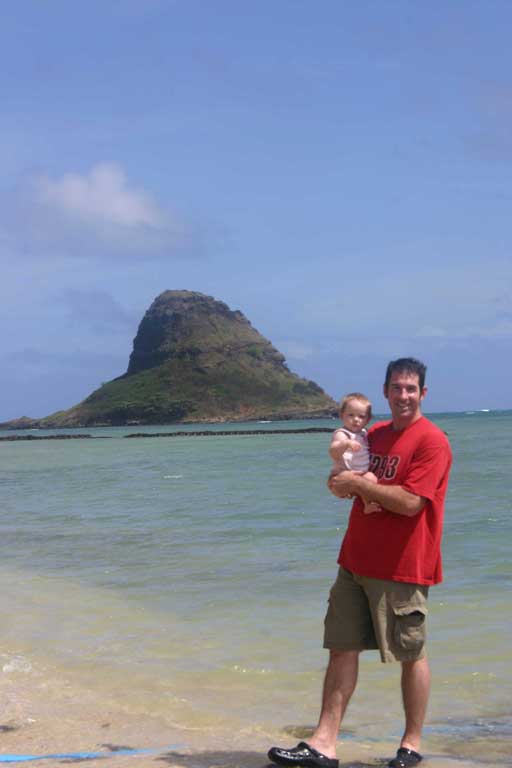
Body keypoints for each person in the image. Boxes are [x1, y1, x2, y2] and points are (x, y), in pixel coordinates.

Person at [268, 358, 452, 768]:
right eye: (396, 388)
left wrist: (357, 484)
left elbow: (411, 503)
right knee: (341, 649)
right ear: (385, 391)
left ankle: (411, 745)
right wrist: (339, 483)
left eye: (411, 388)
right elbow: (344, 477)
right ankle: (323, 744)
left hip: (403, 566)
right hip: (354, 560)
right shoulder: (374, 434)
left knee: (410, 654)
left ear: (423, 393)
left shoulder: (432, 441)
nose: (403, 395)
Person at [329, 393, 378, 512]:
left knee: (371, 478)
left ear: (368, 420)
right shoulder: (342, 433)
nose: (356, 419)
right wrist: (345, 443)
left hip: (361, 472)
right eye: (350, 415)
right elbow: (333, 452)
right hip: (344, 472)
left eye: (361, 416)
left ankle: (367, 504)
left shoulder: (364, 433)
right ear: (341, 416)